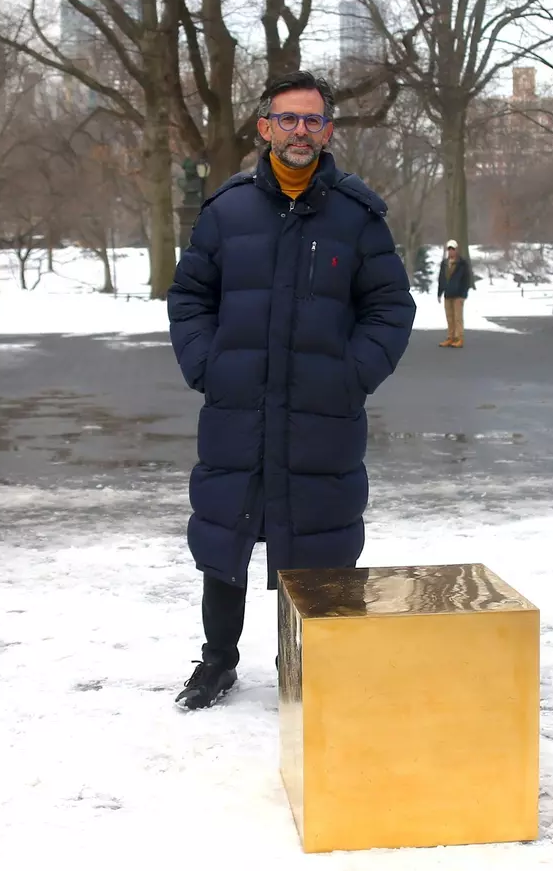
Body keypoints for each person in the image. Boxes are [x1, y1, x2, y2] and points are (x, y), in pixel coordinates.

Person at [167, 70, 416, 710]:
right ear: (265, 127)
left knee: (316, 544)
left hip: (320, 414)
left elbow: (390, 306)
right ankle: (217, 662)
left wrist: (351, 374)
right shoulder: (227, 210)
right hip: (238, 409)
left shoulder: (358, 217)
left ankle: (299, 662)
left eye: (312, 121)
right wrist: (206, 363)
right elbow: (190, 295)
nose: (299, 131)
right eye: (288, 119)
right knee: (225, 536)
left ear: (327, 130)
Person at [436, 239, 474, 347]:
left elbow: (467, 279)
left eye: (453, 249)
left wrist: (464, 294)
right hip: (448, 294)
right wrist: (439, 293)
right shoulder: (444, 263)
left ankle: (459, 338)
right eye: (449, 249)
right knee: (449, 317)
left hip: (458, 294)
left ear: (456, 250)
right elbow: (441, 279)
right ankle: (450, 337)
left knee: (458, 317)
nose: (451, 251)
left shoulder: (462, 263)